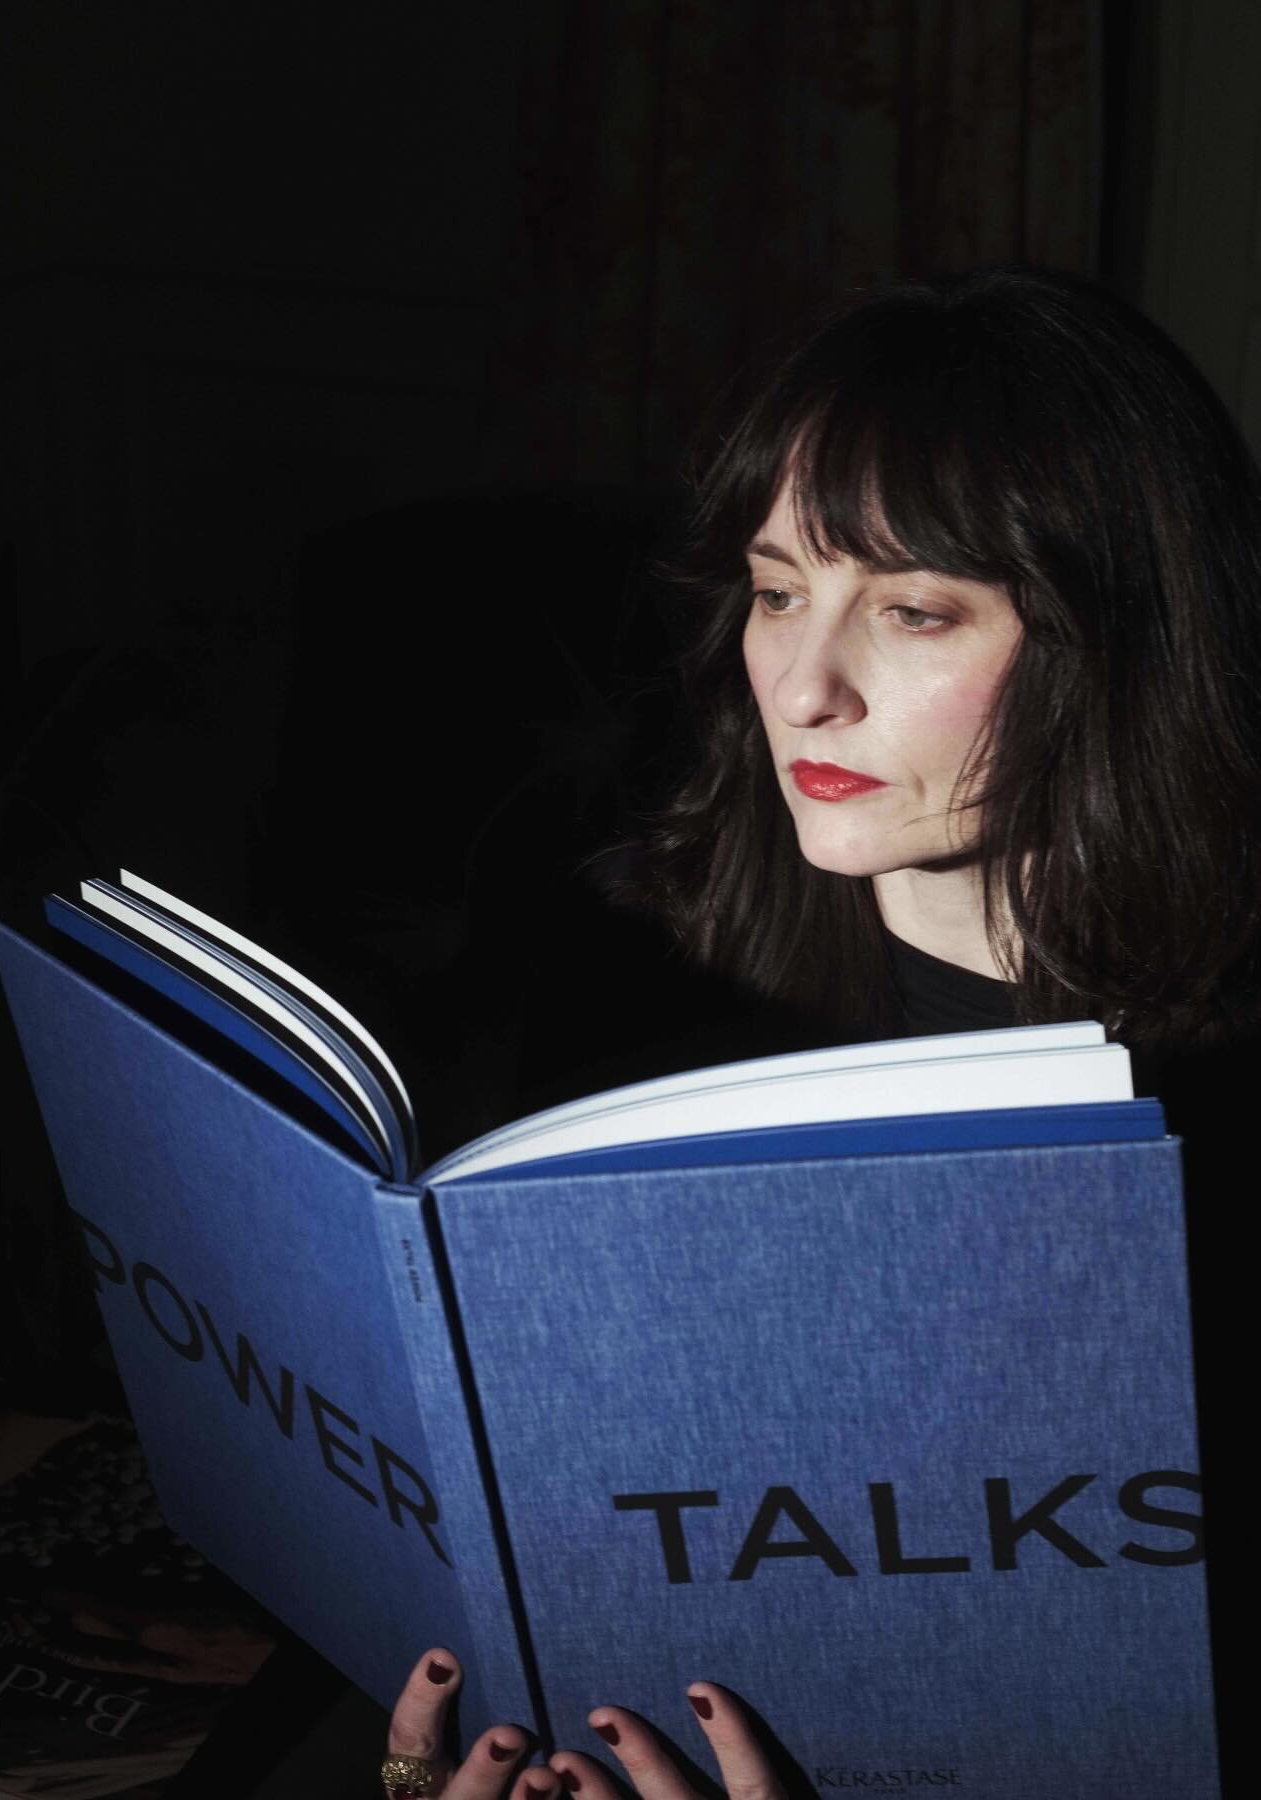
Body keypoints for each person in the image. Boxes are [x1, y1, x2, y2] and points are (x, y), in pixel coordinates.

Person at [376, 265, 1259, 1797]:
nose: (801, 683)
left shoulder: (1222, 1112)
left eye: (912, 610)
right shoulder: (616, 969)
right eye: (780, 590)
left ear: (1121, 647)